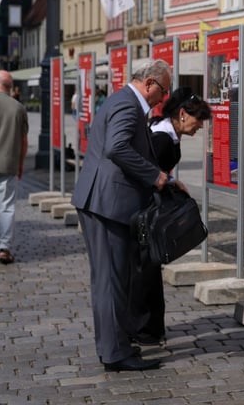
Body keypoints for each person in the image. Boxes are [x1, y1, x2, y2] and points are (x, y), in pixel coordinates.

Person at [71, 60, 172, 372]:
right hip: (106, 203)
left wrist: (163, 175)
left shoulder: (123, 101)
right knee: (110, 281)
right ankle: (115, 354)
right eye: (163, 91)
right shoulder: (128, 105)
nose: (163, 98)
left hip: (106, 201)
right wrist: (154, 175)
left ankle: (115, 346)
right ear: (150, 83)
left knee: (111, 279)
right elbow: (116, 148)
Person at [133, 87, 212, 345]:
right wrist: (168, 182)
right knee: (146, 270)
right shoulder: (163, 138)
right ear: (182, 114)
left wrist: (172, 180)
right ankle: (144, 330)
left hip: (146, 210)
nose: (200, 126)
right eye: (198, 119)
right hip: (144, 213)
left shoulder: (165, 131)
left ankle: (151, 329)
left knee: (150, 270)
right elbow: (148, 169)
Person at [0, 70, 28, 265]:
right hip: (8, 164)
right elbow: (24, 141)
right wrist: (20, 164)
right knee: (7, 208)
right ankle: (4, 249)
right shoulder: (19, 108)